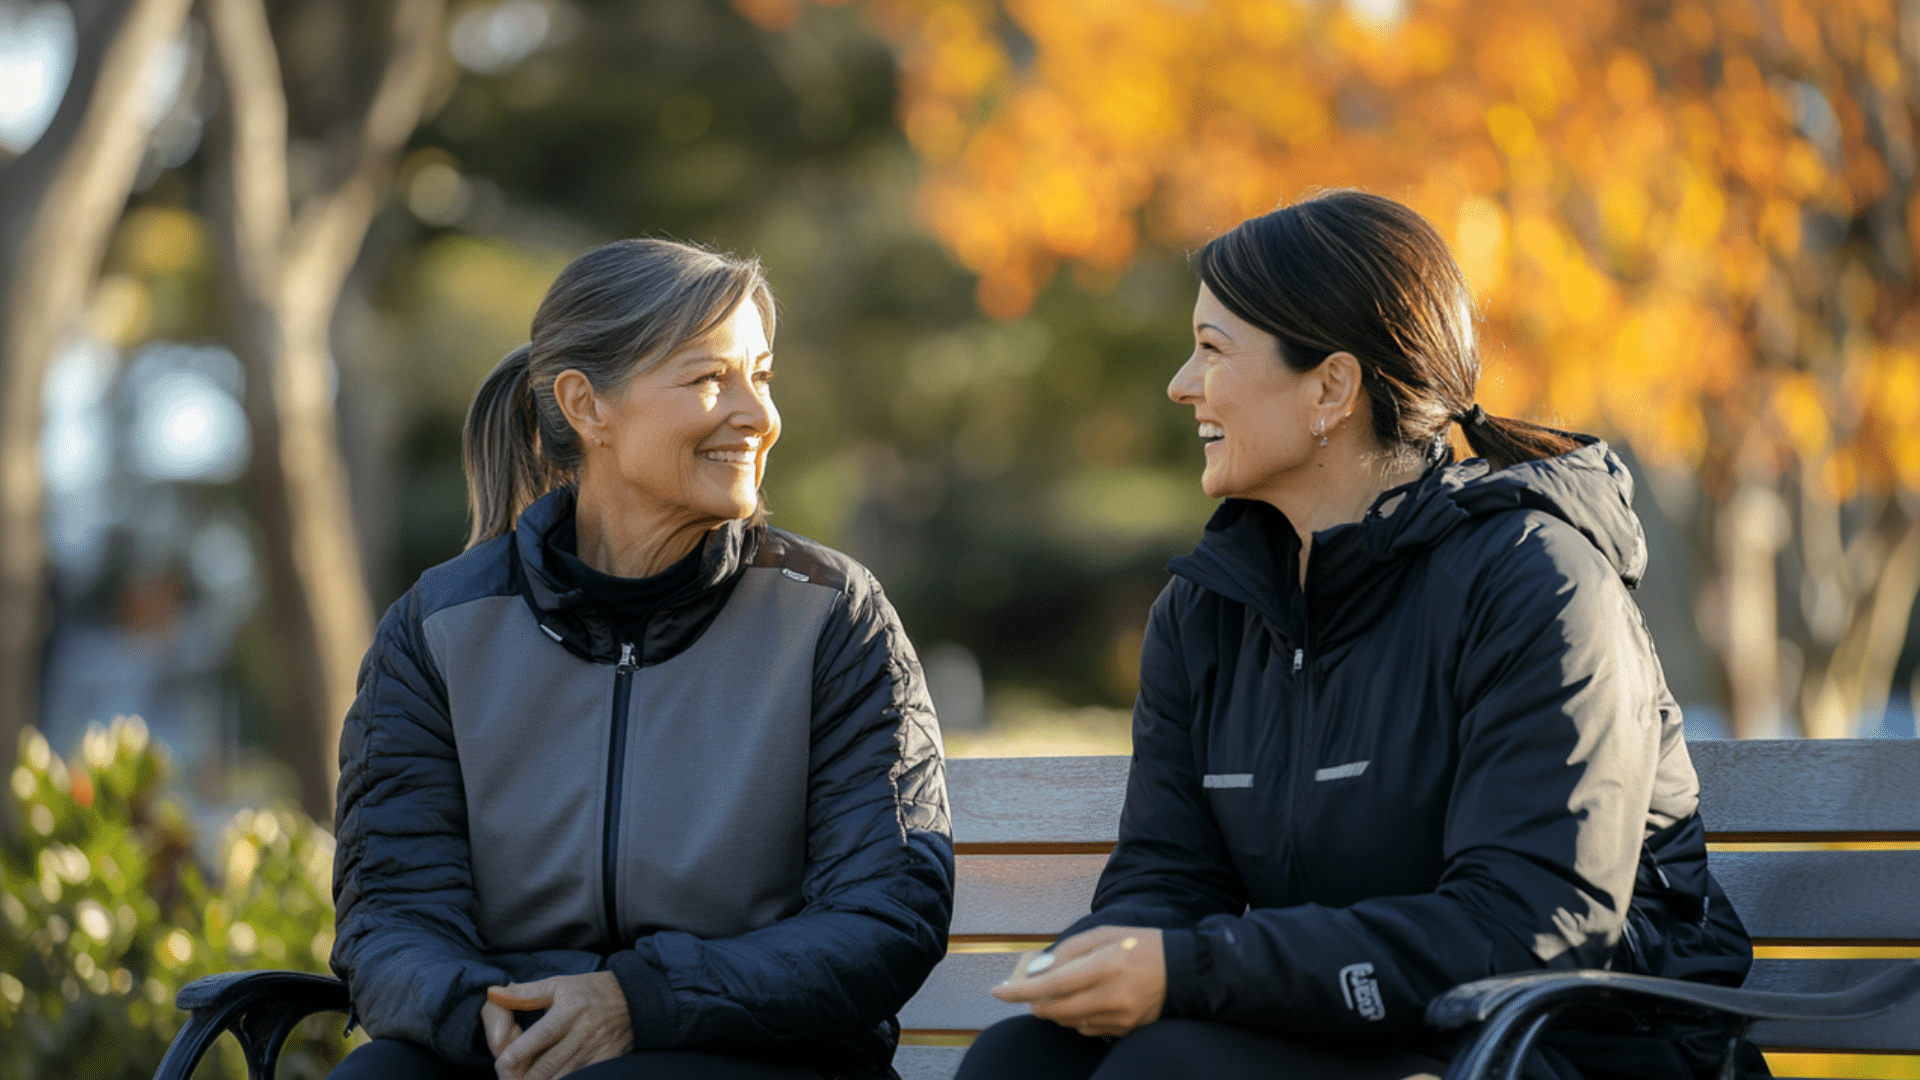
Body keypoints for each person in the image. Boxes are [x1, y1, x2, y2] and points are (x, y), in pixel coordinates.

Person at [956, 191, 1761, 1080]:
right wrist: (1098, 962)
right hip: (1357, 1033)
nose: (1182, 384)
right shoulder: (1208, 613)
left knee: (1174, 1068)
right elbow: (1171, 878)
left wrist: (1196, 973)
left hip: (1561, 1045)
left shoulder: (1536, 582)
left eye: (1212, 349)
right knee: (1019, 1064)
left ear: (1332, 389)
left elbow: (1531, 924)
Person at [326, 239, 953, 1080]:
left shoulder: (833, 618)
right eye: (709, 380)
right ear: (589, 407)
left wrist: (637, 1002)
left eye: (760, 377)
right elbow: (393, 915)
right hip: (512, 1040)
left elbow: (884, 913)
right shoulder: (436, 632)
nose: (759, 415)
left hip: (762, 1050)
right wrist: (490, 1020)